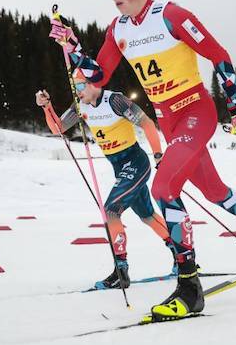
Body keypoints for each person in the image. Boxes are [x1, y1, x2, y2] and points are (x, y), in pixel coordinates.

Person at [49, 0, 236, 320]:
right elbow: (96, 76)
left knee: (164, 190)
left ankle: (189, 287)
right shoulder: (118, 29)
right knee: (214, 190)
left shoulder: (172, 16)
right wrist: (72, 44)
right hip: (169, 121)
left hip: (195, 110)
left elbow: (219, 57)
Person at [36, 72, 175, 288]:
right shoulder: (80, 105)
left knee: (111, 210)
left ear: (93, 84)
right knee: (147, 215)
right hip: (120, 167)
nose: (77, 91)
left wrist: (158, 155)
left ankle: (121, 270)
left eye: (80, 86)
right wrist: (47, 107)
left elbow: (147, 124)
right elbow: (58, 128)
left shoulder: (115, 100)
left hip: (136, 162)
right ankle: (183, 255)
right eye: (74, 87)